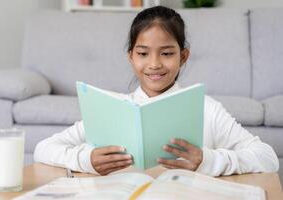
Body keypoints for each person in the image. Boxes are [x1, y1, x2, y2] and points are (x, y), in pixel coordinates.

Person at [34, 6, 279, 176]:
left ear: (183, 56)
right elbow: (43, 148)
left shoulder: (206, 108)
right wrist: (86, 160)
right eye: (143, 53)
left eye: (167, 53)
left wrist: (208, 160)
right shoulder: (112, 110)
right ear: (131, 56)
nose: (154, 64)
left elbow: (267, 158)